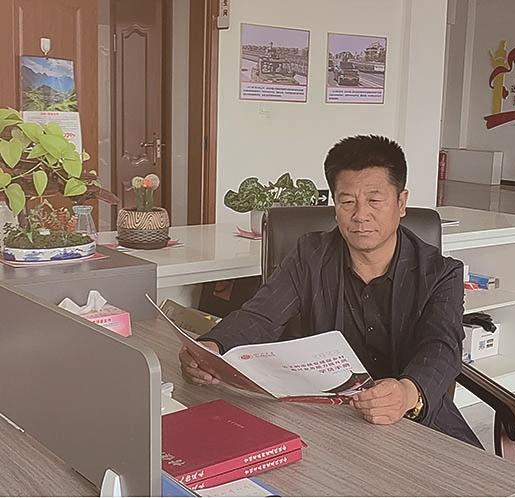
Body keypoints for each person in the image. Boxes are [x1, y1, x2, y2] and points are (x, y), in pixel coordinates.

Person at [180, 135, 482, 448]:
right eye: (347, 201)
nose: (360, 215)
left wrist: (407, 393)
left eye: (375, 201)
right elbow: (260, 315)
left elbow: (441, 345)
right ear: (335, 205)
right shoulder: (309, 256)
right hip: (327, 422)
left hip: (413, 421)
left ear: (401, 203)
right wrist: (211, 348)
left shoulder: (441, 273)